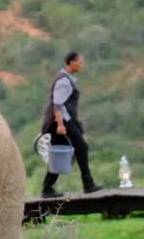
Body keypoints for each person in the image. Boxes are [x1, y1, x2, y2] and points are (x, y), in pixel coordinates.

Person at [40, 51, 101, 197]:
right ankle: (88, 184)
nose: (82, 64)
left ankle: (47, 188)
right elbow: (57, 104)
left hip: (66, 121)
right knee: (80, 147)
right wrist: (60, 125)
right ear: (71, 62)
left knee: (61, 154)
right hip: (61, 122)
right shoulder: (64, 80)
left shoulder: (68, 79)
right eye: (80, 61)